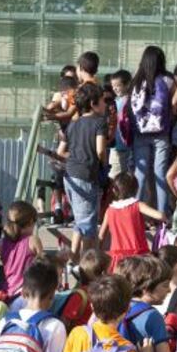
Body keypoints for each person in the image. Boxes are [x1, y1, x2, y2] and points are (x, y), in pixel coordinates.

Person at [58, 83, 107, 262]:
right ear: (93, 103)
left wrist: (77, 155)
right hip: (86, 176)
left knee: (81, 219)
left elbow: (60, 151)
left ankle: (74, 259)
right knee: (88, 226)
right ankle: (86, 268)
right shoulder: (99, 122)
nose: (105, 105)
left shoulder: (73, 124)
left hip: (70, 176)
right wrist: (104, 164)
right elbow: (101, 150)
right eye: (103, 101)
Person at [130, 45, 174, 213]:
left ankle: (135, 213)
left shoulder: (136, 81)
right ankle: (161, 215)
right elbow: (175, 103)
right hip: (161, 133)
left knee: (139, 174)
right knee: (160, 173)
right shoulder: (168, 80)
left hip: (140, 133)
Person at [99, 172, 165, 272]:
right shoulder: (137, 205)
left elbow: (101, 236)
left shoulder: (110, 210)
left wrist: (99, 251)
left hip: (117, 258)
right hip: (138, 255)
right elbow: (160, 216)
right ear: (136, 189)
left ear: (114, 190)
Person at [0, 201, 43, 300]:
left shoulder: (2, 243)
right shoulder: (33, 241)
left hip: (6, 293)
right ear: (30, 222)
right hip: (26, 293)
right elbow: (45, 265)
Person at [110, 69, 133, 176]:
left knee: (115, 176)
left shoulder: (128, 101)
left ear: (127, 84)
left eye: (118, 85)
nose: (114, 88)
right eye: (113, 85)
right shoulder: (117, 101)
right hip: (117, 146)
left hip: (122, 146)